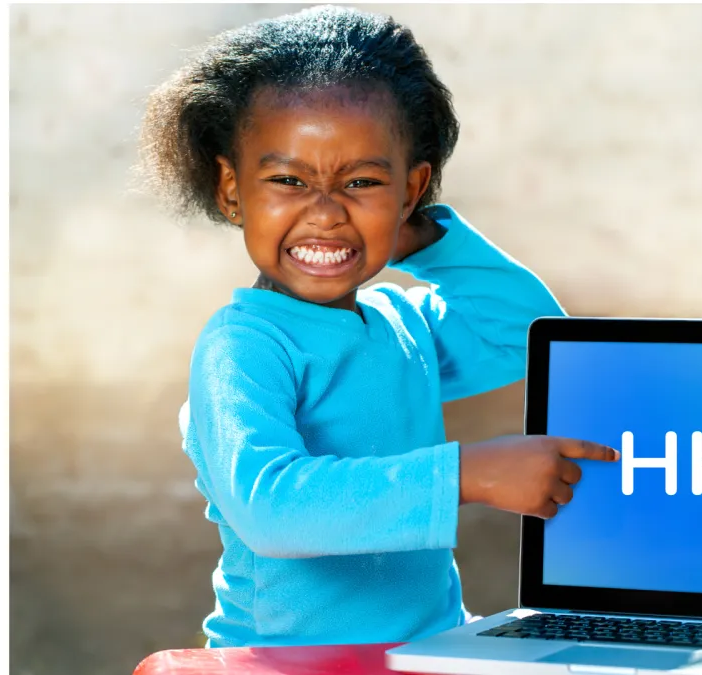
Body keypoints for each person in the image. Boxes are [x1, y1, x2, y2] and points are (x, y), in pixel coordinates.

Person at [136, 5, 619, 649]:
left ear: (411, 189)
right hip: (285, 663)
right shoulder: (243, 347)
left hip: (433, 647)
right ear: (231, 189)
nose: (327, 213)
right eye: (287, 180)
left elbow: (523, 328)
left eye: (362, 181)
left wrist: (417, 234)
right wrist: (467, 476)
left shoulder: (401, 326)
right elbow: (272, 508)